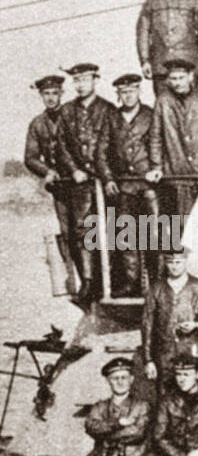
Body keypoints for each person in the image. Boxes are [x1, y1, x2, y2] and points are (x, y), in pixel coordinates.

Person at [56, 63, 120, 303]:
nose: (81, 85)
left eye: (85, 80)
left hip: (104, 180)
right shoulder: (67, 111)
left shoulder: (108, 109)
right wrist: (73, 170)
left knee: (111, 228)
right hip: (80, 183)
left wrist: (108, 174)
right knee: (83, 229)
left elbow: (116, 144)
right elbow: (61, 145)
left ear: (95, 81)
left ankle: (112, 279)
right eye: (77, 81)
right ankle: (89, 280)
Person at [146, 57, 198, 221]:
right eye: (173, 78)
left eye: (181, 78)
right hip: (176, 172)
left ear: (190, 76)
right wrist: (156, 167)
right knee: (181, 221)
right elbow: (155, 136)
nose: (177, 83)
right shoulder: (163, 101)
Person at [141, 245, 198, 384]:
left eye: (178, 262)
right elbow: (147, 325)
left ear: (185, 261)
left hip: (194, 354)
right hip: (165, 358)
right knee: (166, 399)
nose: (174, 267)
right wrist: (148, 360)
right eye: (170, 262)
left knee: (196, 398)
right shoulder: (156, 289)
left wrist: (197, 325)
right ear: (165, 263)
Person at [110, 72, 157, 294]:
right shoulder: (112, 118)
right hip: (124, 184)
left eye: (132, 91)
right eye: (123, 93)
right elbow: (102, 151)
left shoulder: (151, 115)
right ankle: (132, 282)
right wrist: (109, 177)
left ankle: (158, 281)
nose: (128, 96)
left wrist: (156, 169)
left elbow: (161, 143)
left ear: (139, 91)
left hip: (149, 184)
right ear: (118, 95)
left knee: (155, 233)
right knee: (126, 234)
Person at [24, 74, 71, 285]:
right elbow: (30, 158)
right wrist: (47, 172)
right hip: (60, 187)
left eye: (54, 93)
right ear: (41, 96)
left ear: (61, 93)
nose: (51, 98)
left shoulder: (72, 115)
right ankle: (74, 277)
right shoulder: (37, 124)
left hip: (81, 182)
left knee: (91, 229)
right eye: (46, 94)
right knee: (67, 231)